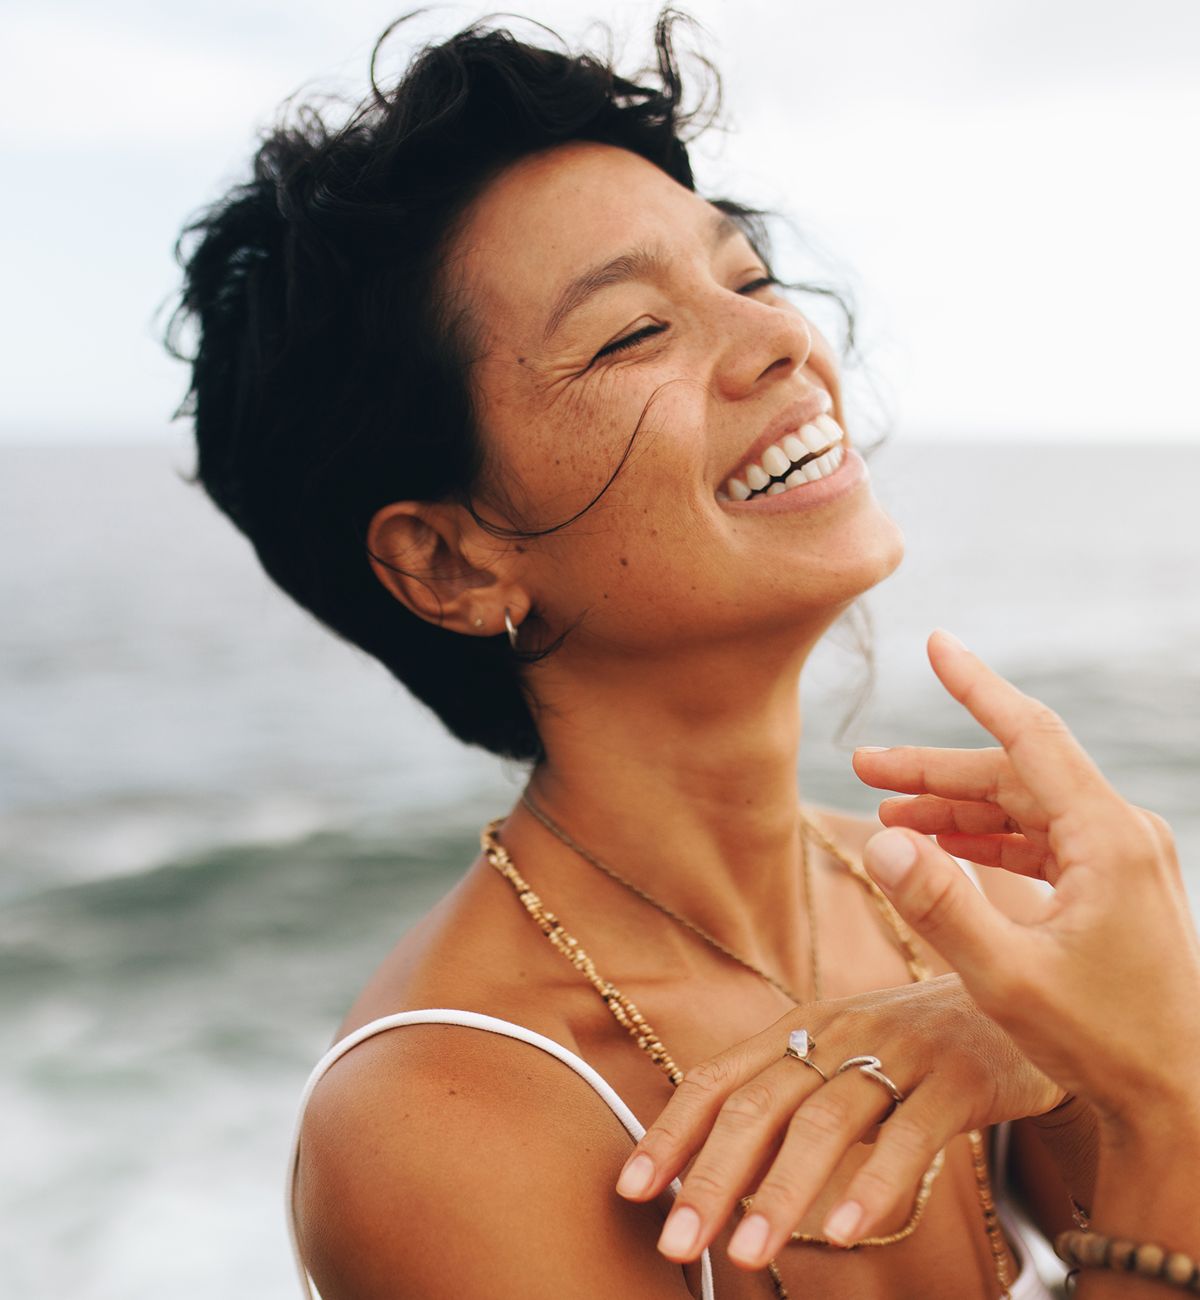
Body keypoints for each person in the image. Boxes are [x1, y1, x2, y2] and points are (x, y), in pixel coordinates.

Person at [167, 13, 1200, 1299]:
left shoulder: (959, 921)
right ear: (452, 560)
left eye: (751, 280)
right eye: (631, 334)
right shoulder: (448, 1121)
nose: (784, 344)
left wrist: (1117, 1036)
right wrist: (1159, 1098)